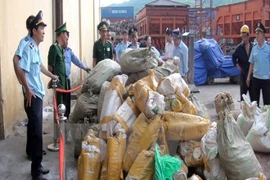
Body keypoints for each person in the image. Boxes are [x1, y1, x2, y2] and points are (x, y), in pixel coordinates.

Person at [17, 10, 59, 180]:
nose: (43, 31)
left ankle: (36, 162)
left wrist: (52, 75)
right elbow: (19, 67)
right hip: (32, 96)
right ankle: (36, 171)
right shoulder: (28, 47)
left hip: (37, 94)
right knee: (36, 133)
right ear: (34, 30)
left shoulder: (35, 48)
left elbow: (40, 66)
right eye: (41, 28)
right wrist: (27, 89)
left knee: (34, 131)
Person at [63, 32, 91, 119]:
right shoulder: (58, 51)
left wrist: (85, 68)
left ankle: (66, 117)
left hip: (67, 79)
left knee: (67, 99)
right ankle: (60, 118)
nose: (67, 42)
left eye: (67, 39)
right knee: (61, 100)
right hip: (60, 80)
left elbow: (76, 61)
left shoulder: (69, 52)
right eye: (65, 39)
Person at [48, 22, 69, 117]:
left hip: (64, 84)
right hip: (58, 84)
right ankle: (58, 129)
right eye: (65, 34)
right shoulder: (54, 48)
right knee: (59, 108)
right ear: (61, 34)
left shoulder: (60, 49)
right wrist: (53, 79)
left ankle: (62, 129)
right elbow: (50, 67)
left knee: (64, 108)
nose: (66, 37)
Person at [247, 22, 270, 106]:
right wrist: (248, 77)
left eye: (258, 33)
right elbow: (251, 63)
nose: (256, 35)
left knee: (267, 103)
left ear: (263, 35)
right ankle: (256, 119)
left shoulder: (268, 48)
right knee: (255, 103)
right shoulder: (254, 48)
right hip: (256, 78)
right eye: (256, 33)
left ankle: (267, 118)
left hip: (266, 79)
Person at [232, 25, 253, 101]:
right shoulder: (239, 48)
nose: (243, 38)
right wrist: (238, 67)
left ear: (248, 35)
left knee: (253, 97)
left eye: (245, 36)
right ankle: (243, 111)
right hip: (243, 75)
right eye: (242, 36)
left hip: (252, 76)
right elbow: (234, 57)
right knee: (243, 97)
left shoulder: (253, 47)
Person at [13, 15, 35, 84]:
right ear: (28, 28)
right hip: (29, 84)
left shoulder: (34, 42)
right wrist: (20, 79)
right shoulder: (24, 42)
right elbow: (15, 59)